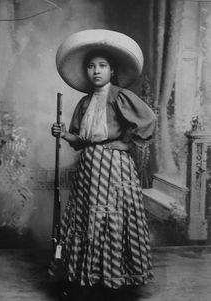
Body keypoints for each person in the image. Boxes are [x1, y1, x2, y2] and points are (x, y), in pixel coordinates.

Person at [51, 29, 156, 300]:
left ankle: (113, 277)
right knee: (86, 219)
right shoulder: (85, 103)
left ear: (112, 70)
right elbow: (79, 140)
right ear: (86, 72)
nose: (96, 71)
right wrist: (64, 133)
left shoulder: (120, 96)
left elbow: (147, 121)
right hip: (88, 168)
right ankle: (90, 276)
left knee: (111, 217)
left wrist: (127, 143)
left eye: (102, 66)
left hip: (113, 167)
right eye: (91, 66)